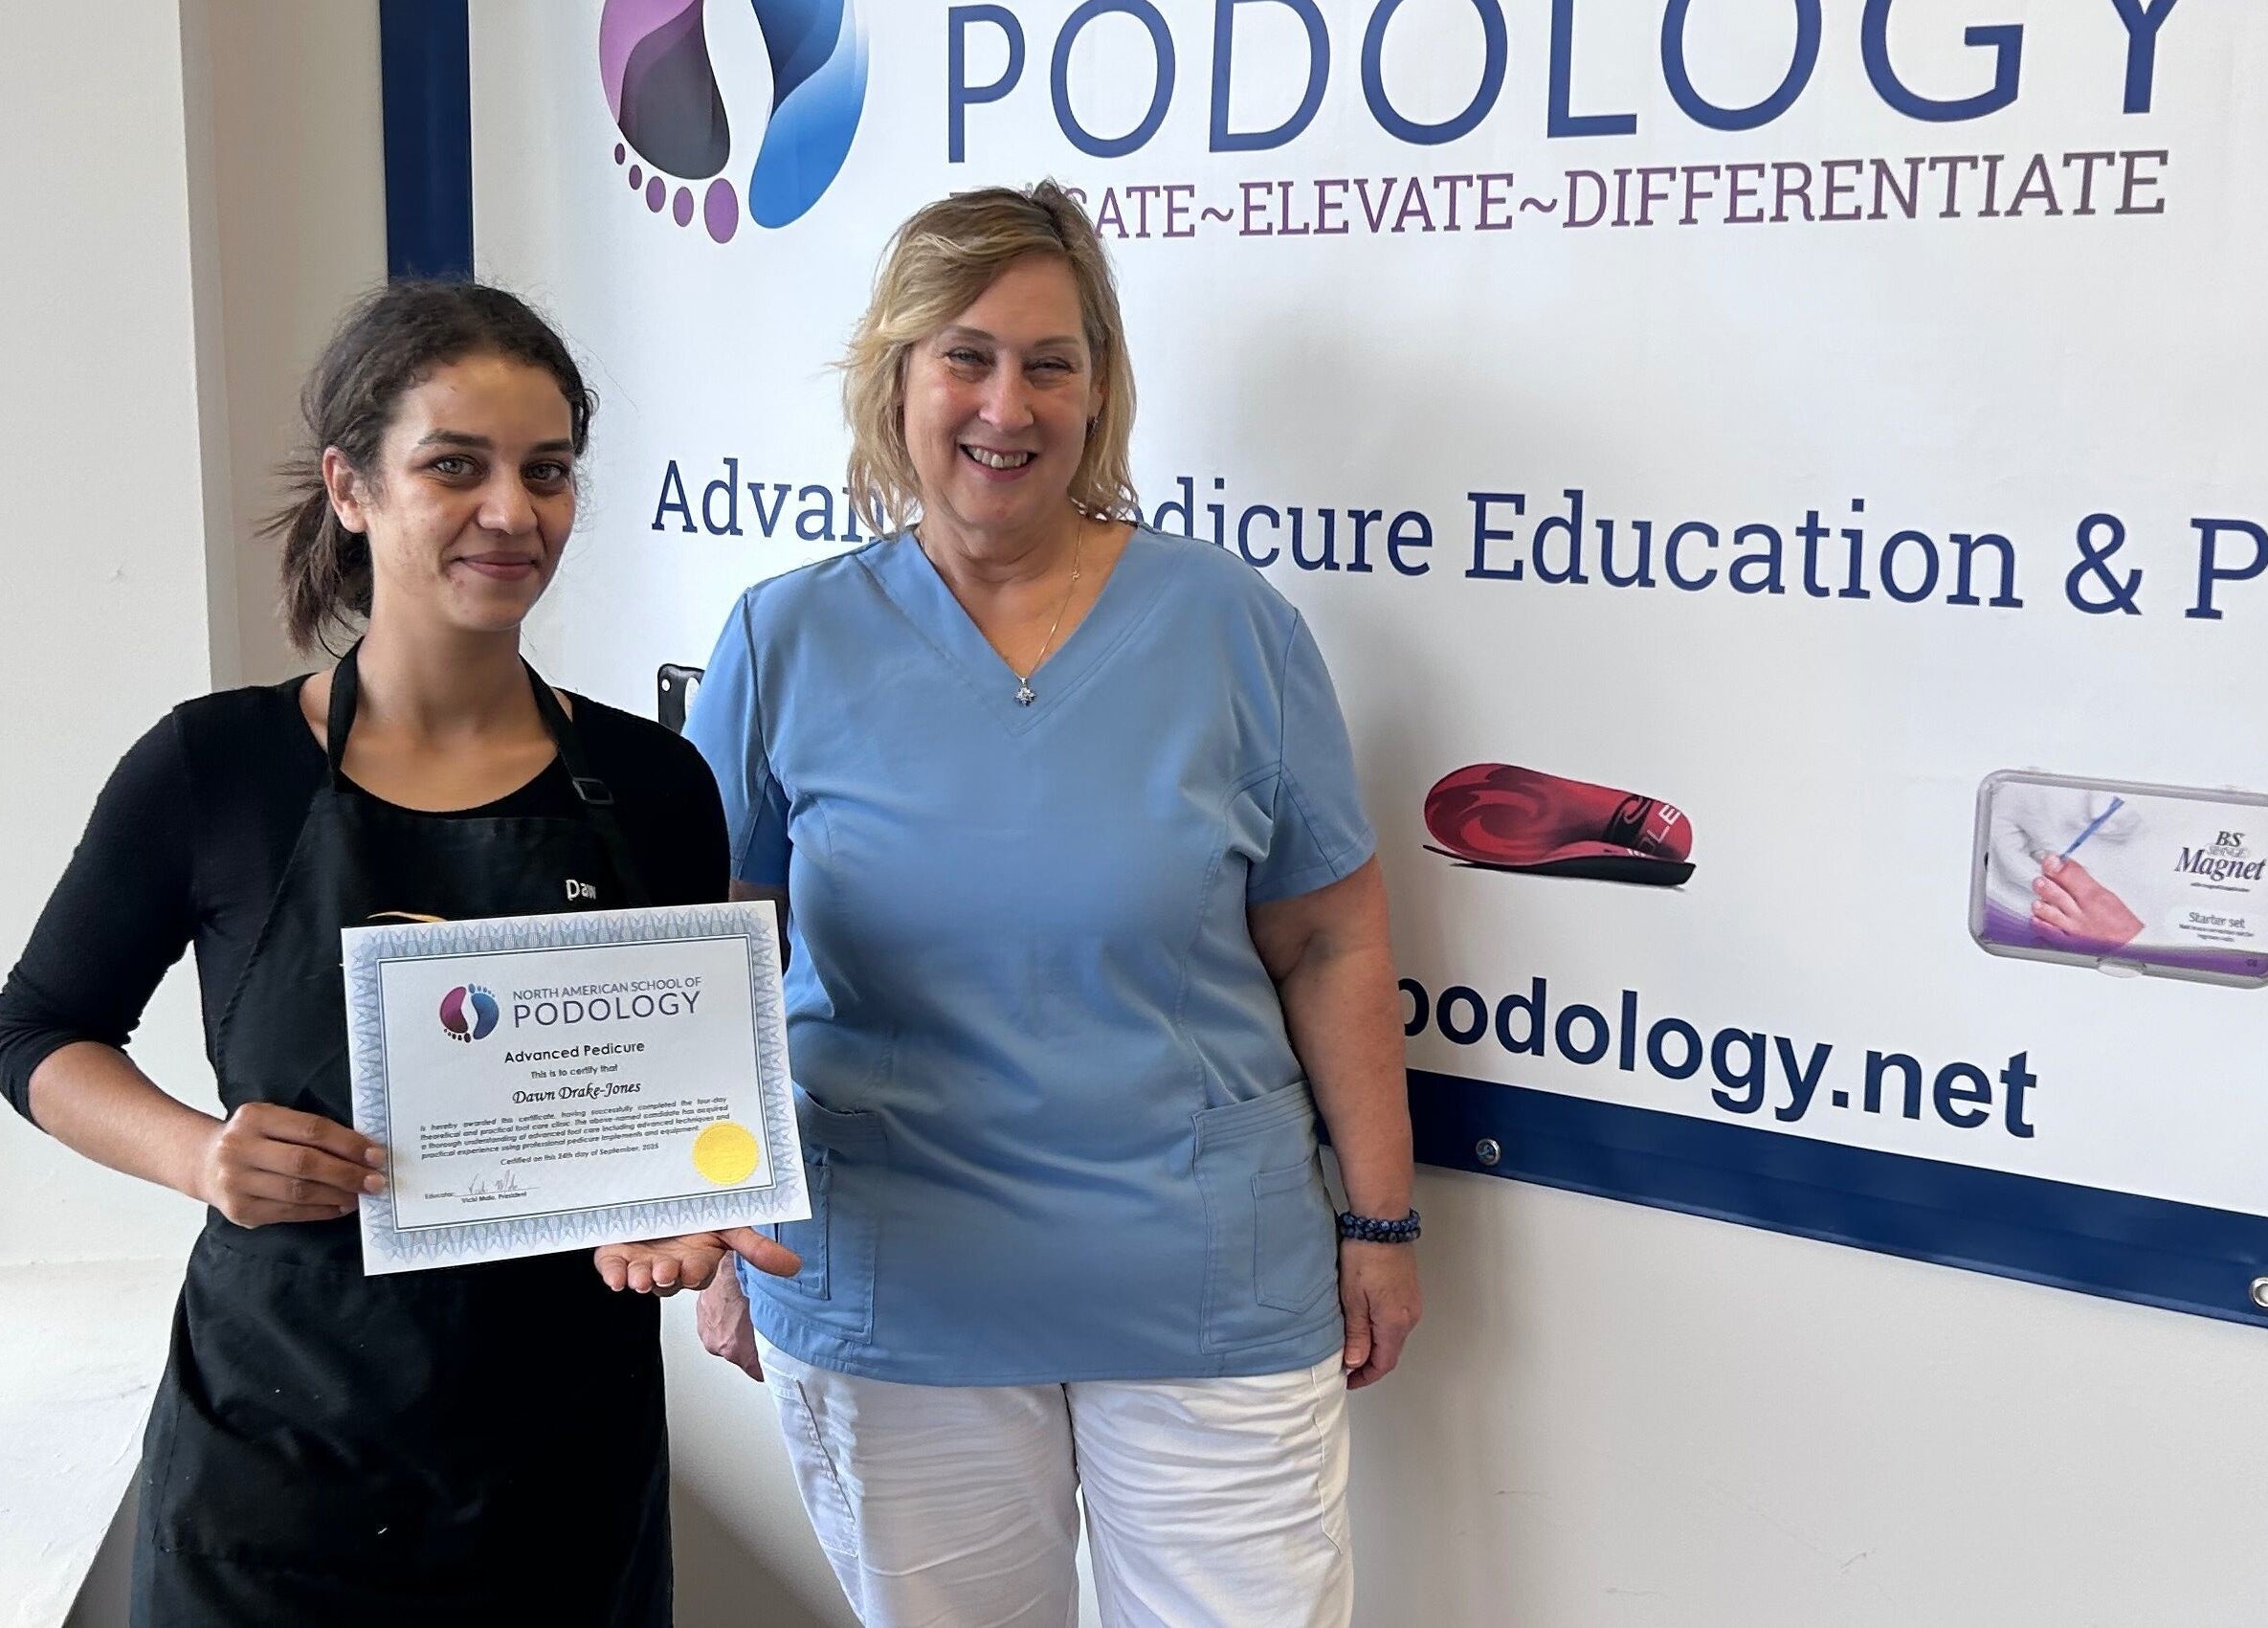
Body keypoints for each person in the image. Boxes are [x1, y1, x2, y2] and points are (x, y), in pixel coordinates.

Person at [678, 182, 1422, 1628]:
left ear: (1099, 389)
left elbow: (1330, 934)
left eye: (1049, 361)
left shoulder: (1229, 627)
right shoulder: (785, 635)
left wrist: (1381, 1225)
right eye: (963, 354)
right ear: (894, 375)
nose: (1003, 404)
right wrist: (719, 1216)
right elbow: (718, 961)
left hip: (1203, 1280)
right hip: (895, 1288)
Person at [0, 280, 793, 1625]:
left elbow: (680, 1104)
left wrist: (687, 1205)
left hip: (562, 1469)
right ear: (351, 488)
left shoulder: (654, 781)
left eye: (547, 472)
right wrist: (199, 1152)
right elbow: (36, 1029)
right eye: (455, 466)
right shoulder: (218, 766)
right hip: (278, 1469)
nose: (512, 510)